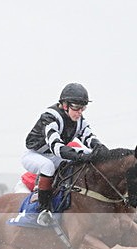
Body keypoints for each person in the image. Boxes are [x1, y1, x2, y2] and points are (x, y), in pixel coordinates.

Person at [22, 82, 108, 225]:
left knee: (87, 152)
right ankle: (44, 210)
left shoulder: (79, 120)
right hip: (35, 155)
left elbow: (89, 137)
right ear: (64, 105)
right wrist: (79, 156)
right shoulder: (50, 118)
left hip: (54, 155)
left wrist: (100, 149)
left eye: (83, 107)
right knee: (47, 166)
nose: (80, 112)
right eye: (76, 107)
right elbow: (57, 147)